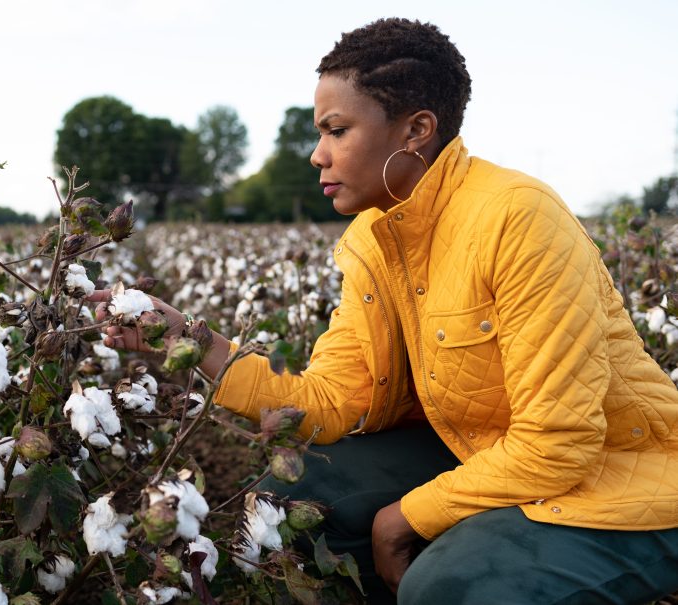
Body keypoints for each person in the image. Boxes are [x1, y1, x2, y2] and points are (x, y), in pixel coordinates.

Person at [91, 17, 678, 605]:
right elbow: (328, 402)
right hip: (484, 449)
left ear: (417, 129)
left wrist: (403, 518)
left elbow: (558, 443)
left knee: (449, 589)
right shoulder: (375, 239)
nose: (318, 155)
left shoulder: (517, 218)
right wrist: (190, 338)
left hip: (620, 476)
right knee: (298, 500)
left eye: (336, 130)